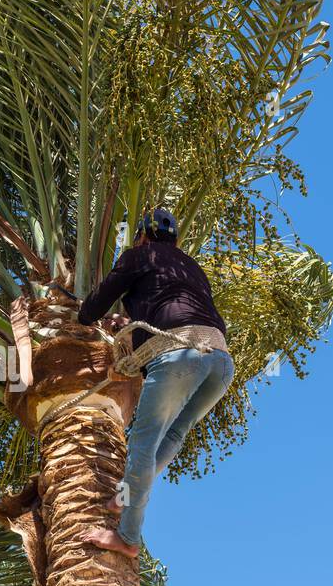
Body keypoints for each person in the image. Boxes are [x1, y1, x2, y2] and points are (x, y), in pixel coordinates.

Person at [75, 208, 235, 557]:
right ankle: (123, 496)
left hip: (180, 355)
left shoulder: (139, 255)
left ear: (143, 236)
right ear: (174, 240)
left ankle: (127, 538)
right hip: (220, 362)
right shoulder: (189, 266)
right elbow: (170, 305)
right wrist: (128, 320)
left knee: (142, 445)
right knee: (174, 434)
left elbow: (95, 305)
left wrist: (83, 316)